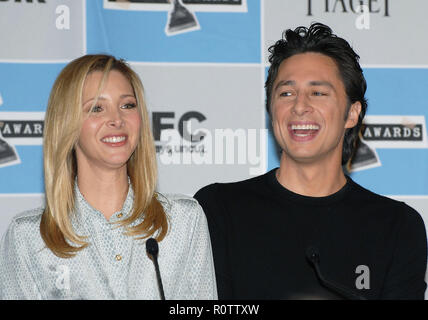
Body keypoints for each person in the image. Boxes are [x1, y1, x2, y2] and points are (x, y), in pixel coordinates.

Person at [194, 23, 427, 300]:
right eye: (286, 93)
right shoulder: (218, 208)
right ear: (271, 109)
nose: (300, 106)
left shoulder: (396, 226)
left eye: (318, 93)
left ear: (352, 114)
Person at [0, 54, 217, 300]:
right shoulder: (28, 237)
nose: (116, 119)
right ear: (66, 124)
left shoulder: (184, 220)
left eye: (127, 105)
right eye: (96, 108)